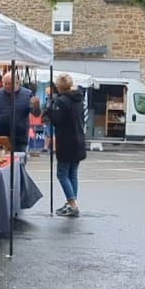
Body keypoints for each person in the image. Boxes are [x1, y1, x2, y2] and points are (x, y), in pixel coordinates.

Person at [47, 74, 87, 217]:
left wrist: (50, 107)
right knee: (72, 173)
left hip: (66, 141)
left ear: (59, 86)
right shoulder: (78, 99)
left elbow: (56, 120)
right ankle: (72, 201)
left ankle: (72, 203)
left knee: (62, 173)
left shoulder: (61, 101)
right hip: (79, 139)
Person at [0, 74, 42, 151]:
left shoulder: (27, 94)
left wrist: (36, 106)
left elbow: (36, 114)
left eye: (9, 84)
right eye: (5, 84)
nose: (7, 86)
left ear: (17, 83)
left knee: (18, 161)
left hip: (19, 138)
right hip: (0, 136)